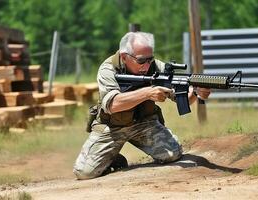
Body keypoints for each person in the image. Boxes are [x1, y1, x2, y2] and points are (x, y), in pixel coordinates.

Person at [73, 31, 211, 180]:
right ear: (125, 57)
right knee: (84, 173)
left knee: (173, 154)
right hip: (112, 127)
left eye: (150, 59)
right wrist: (147, 93)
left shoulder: (156, 67)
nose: (147, 65)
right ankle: (113, 158)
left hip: (144, 124)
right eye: (141, 60)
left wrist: (196, 93)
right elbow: (112, 104)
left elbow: (180, 98)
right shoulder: (108, 69)